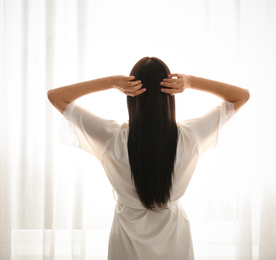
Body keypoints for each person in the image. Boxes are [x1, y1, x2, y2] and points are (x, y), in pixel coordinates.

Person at [47, 57, 250, 260]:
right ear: (170, 95)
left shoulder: (111, 137)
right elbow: (241, 96)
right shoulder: (191, 136)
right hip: (175, 240)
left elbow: (56, 96)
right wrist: (190, 81)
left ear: (130, 96)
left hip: (126, 240)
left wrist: (111, 82)